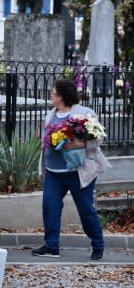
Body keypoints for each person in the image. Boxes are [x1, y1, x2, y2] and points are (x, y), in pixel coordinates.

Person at [32, 79, 110, 260]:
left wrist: (80, 143)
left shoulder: (84, 113)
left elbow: (98, 138)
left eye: (53, 93)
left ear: (60, 96)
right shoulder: (51, 114)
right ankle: (52, 246)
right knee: (49, 207)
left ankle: (98, 245)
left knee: (86, 210)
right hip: (53, 172)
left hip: (78, 172)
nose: (51, 95)